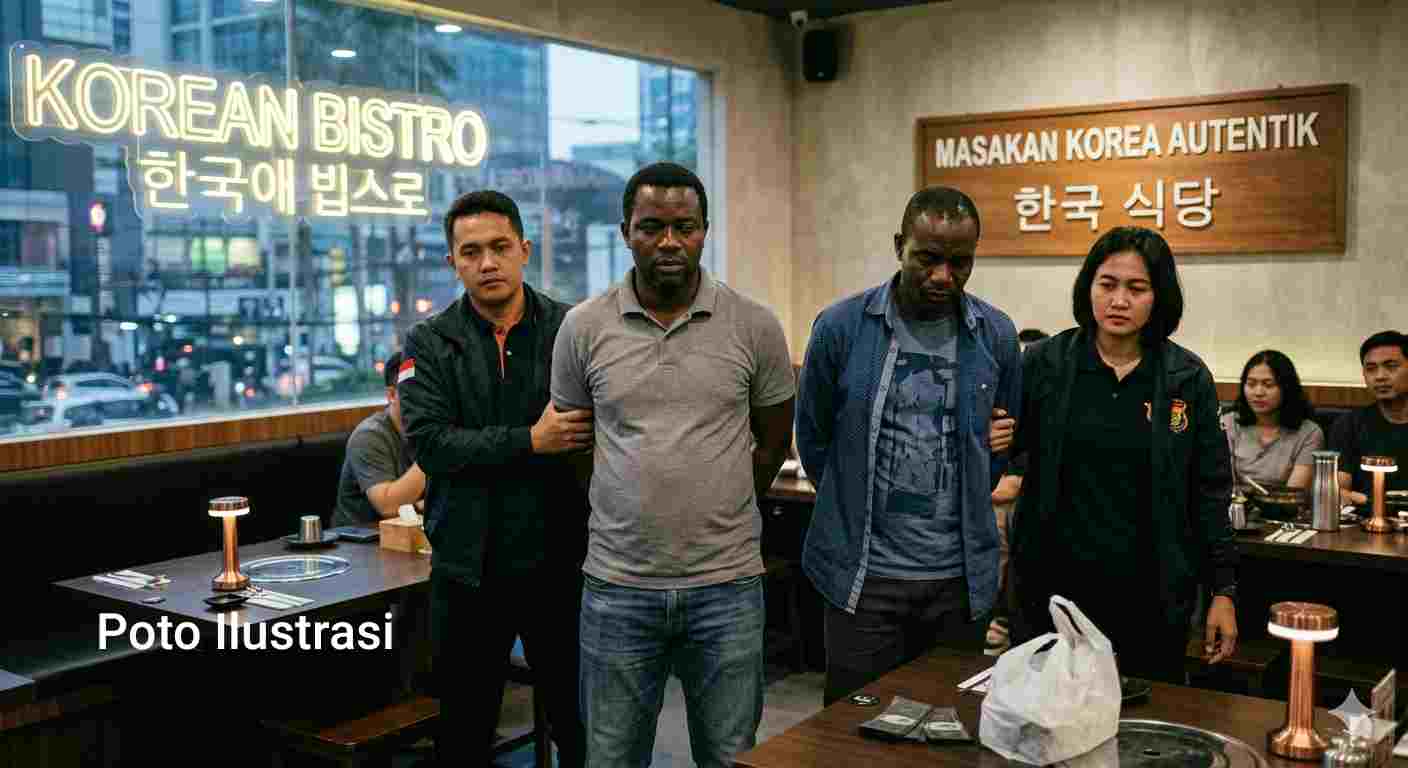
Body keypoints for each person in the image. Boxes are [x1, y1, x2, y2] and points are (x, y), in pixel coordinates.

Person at [551, 162, 795, 768]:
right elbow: (575, 444)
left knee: (731, 756)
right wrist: (628, 503)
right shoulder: (582, 328)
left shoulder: (754, 325)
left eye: (683, 228)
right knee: (610, 757)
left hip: (727, 587)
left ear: (704, 231)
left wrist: (720, 502)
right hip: (617, 587)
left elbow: (772, 442)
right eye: (650, 227)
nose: (668, 242)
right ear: (625, 232)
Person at [795, 186, 1021, 704]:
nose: (943, 276)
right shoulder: (841, 328)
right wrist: (849, 498)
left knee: (948, 725)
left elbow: (996, 448)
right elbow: (814, 439)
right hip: (864, 577)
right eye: (928, 258)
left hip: (957, 581)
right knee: (852, 730)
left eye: (960, 263)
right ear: (900, 246)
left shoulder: (996, 335)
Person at [399, 190, 590, 768]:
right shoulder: (428, 342)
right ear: (452, 262)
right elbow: (432, 445)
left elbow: (594, 429)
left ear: (524, 250)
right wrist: (531, 440)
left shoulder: (571, 328)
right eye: (471, 252)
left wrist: (490, 446)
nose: (488, 263)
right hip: (468, 569)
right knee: (464, 734)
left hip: (561, 561)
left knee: (583, 729)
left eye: (500, 247)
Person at [1008, 226, 1237, 683]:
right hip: (1053, 589)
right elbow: (1006, 453)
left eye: (1137, 288)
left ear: (1159, 296)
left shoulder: (1186, 377)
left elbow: (1209, 492)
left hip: (1151, 592)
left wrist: (1223, 590)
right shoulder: (1044, 363)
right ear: (1088, 287)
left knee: (1146, 717)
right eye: (1107, 284)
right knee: (1046, 712)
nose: (1119, 300)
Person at [986, 328, 1047, 653]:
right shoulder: (1000, 398)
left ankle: (1004, 621)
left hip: (1033, 494)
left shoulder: (1050, 398)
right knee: (994, 523)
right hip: (996, 494)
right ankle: (992, 619)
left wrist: (1020, 480)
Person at [331, 350, 426, 528]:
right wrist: (434, 450)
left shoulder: (432, 429)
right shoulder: (369, 436)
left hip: (416, 533)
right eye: (415, 392)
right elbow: (388, 506)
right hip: (361, 538)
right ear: (392, 395)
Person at [1221, 350, 1324, 493]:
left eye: (1268, 385)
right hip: (1236, 504)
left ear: (1287, 388)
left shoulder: (1309, 433)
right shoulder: (1229, 423)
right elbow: (1223, 484)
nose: (1258, 392)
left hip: (1284, 505)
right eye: (1251, 384)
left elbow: (1294, 494)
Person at [1330, 330, 1408, 501]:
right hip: (1365, 515)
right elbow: (1338, 490)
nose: (1380, 377)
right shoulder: (1349, 425)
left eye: (1391, 366)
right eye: (1371, 369)